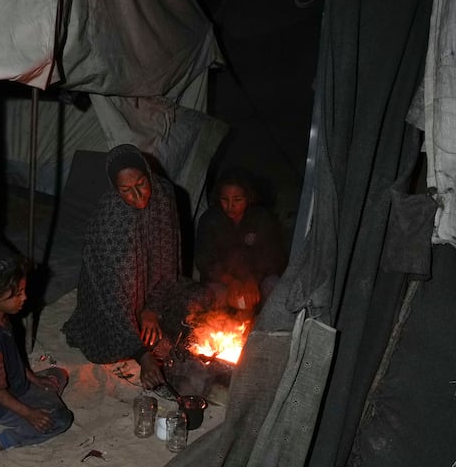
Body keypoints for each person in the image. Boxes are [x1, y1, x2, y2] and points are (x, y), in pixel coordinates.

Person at [62, 143, 200, 389]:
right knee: (107, 346)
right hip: (110, 299)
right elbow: (110, 293)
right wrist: (142, 355)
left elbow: (169, 259)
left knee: (198, 299)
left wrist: (152, 309)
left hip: (151, 290)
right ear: (115, 189)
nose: (139, 196)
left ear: (148, 174)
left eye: (141, 184)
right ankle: (137, 343)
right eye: (126, 190)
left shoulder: (164, 193)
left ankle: (148, 326)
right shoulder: (110, 219)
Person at [0, 252, 72, 461]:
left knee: (58, 374)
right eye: (18, 294)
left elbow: (15, 358)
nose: (25, 297)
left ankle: (45, 400)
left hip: (20, 385)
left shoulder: (1, 318)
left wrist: (34, 378)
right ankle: (1, 441)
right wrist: (29, 413)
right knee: (61, 419)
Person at [194, 170, 288, 316]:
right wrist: (231, 281)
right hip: (222, 280)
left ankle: (267, 331)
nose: (230, 206)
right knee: (213, 297)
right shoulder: (210, 220)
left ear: (248, 198)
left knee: (274, 287)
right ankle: (219, 329)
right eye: (225, 199)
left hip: (256, 278)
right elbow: (204, 260)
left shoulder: (261, 218)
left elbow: (272, 256)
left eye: (237, 200)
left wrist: (253, 279)